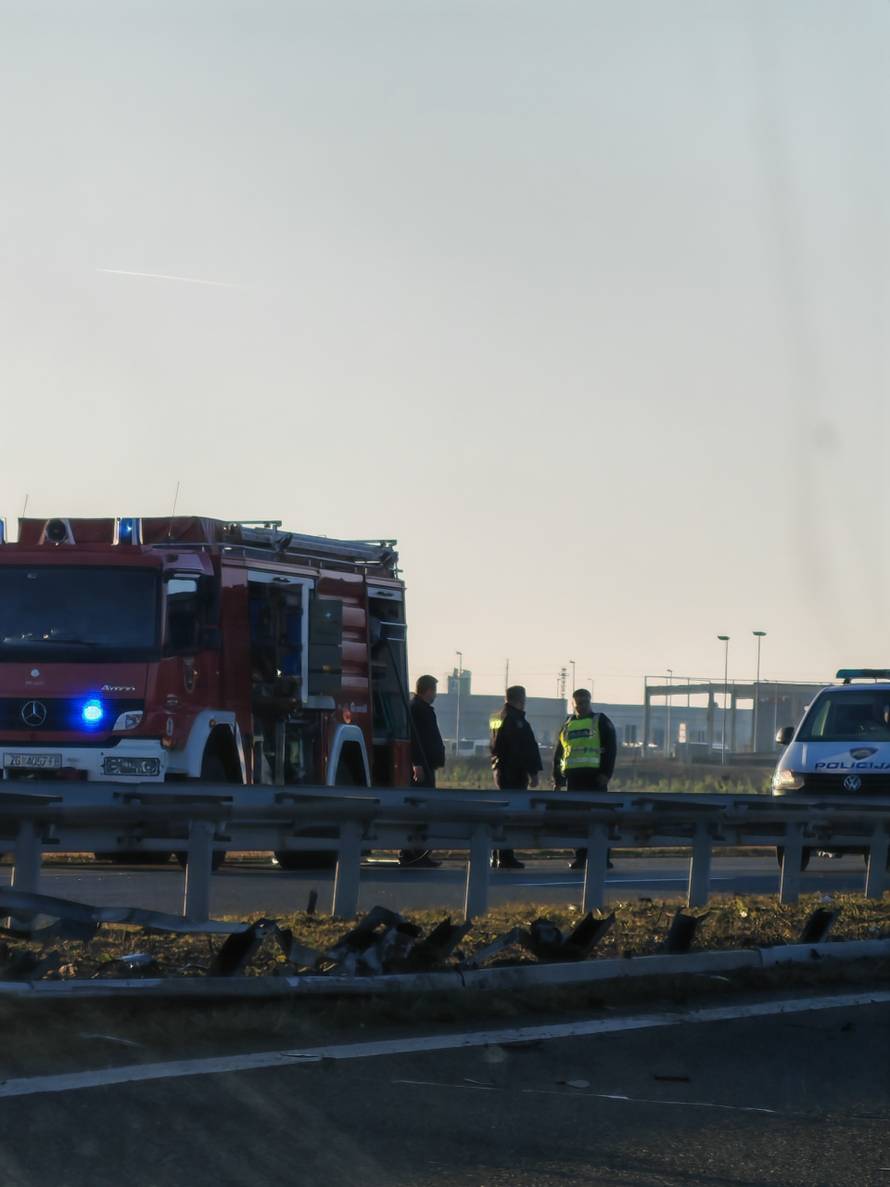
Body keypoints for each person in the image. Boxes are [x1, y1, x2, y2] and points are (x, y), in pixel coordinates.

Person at [553, 689, 617, 870]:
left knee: (600, 818)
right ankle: (581, 857)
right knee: (577, 820)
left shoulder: (600, 721)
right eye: (578, 703)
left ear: (590, 702)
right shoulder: (567, 724)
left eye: (584, 702)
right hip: (574, 779)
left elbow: (611, 749)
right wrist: (558, 779)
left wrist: (606, 774)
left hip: (595, 778)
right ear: (573, 704)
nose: (581, 706)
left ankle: (602, 857)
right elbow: (559, 753)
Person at [489, 685, 542, 870]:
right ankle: (506, 856)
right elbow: (525, 749)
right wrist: (533, 772)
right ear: (521, 698)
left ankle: (497, 854)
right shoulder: (516, 720)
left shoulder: (497, 717)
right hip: (513, 772)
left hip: (500, 770)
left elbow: (495, 746)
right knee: (511, 815)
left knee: (503, 814)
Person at [400, 674, 446, 868]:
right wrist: (417, 763)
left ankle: (415, 852)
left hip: (426, 765)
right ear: (428, 690)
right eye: (434, 690)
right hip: (421, 767)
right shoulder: (418, 709)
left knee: (421, 810)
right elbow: (416, 738)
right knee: (420, 810)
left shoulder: (420, 708)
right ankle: (416, 853)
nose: (435, 694)